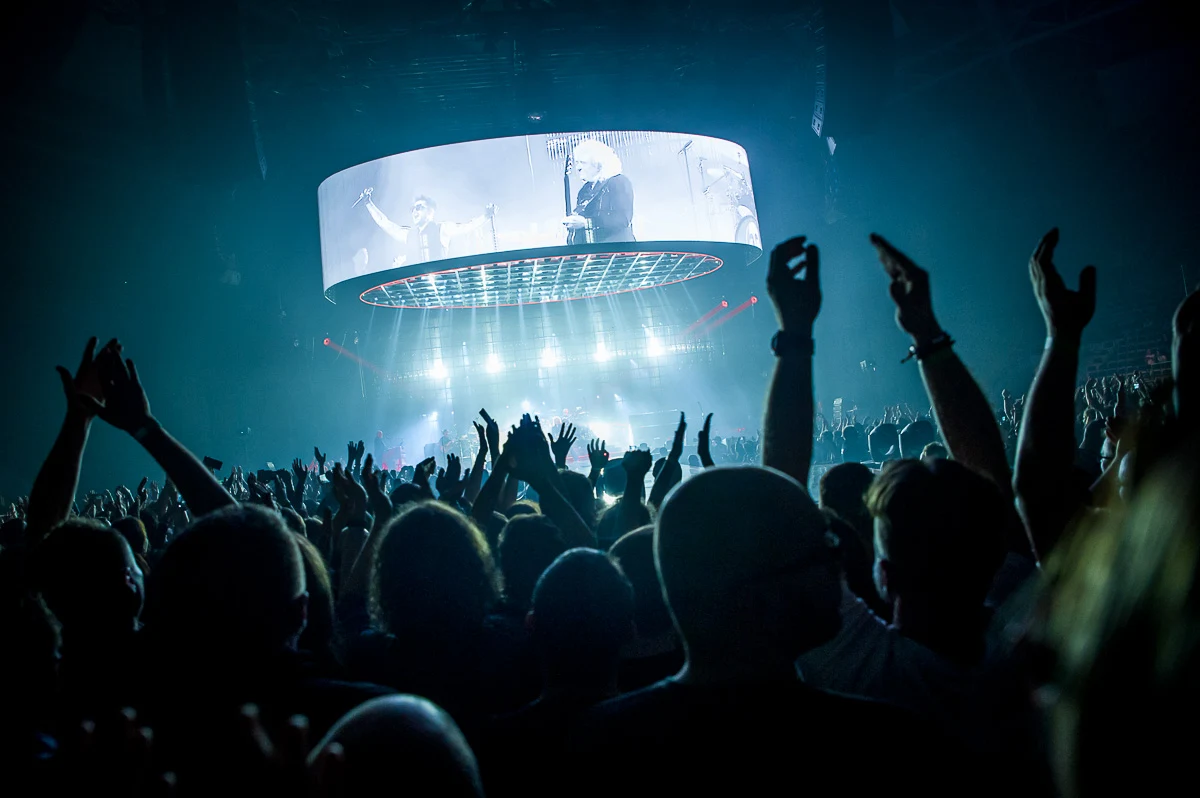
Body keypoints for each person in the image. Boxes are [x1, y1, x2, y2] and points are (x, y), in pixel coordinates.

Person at [570, 466, 963, 796]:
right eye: (823, 548)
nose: (839, 563)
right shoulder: (888, 746)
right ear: (758, 591)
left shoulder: (590, 745)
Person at [363, 191, 496, 267]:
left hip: (441, 288)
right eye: (413, 209)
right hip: (417, 291)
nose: (415, 211)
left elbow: (467, 226)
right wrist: (368, 203)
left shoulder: (442, 228)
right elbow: (385, 223)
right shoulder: (408, 234)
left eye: (420, 207)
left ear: (430, 212)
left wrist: (486, 215)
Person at [564, 140, 635, 245]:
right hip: (592, 254)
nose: (578, 168)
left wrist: (586, 222)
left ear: (598, 164)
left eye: (583, 163)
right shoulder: (584, 191)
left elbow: (622, 219)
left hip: (617, 252)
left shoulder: (618, 181)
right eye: (577, 163)